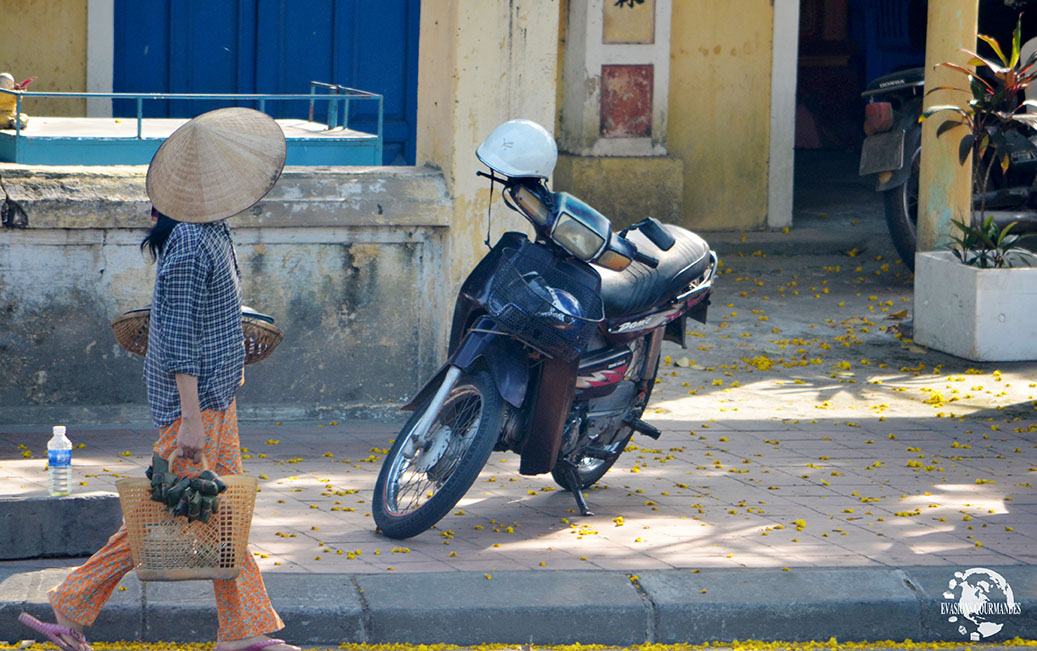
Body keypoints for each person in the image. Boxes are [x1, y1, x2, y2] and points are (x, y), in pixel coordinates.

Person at [18, 107, 298, 651]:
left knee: (218, 510)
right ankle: (72, 606)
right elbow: (175, 343)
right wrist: (191, 419)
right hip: (197, 407)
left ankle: (239, 631)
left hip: (217, 400)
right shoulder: (190, 246)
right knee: (170, 511)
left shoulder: (210, 231)